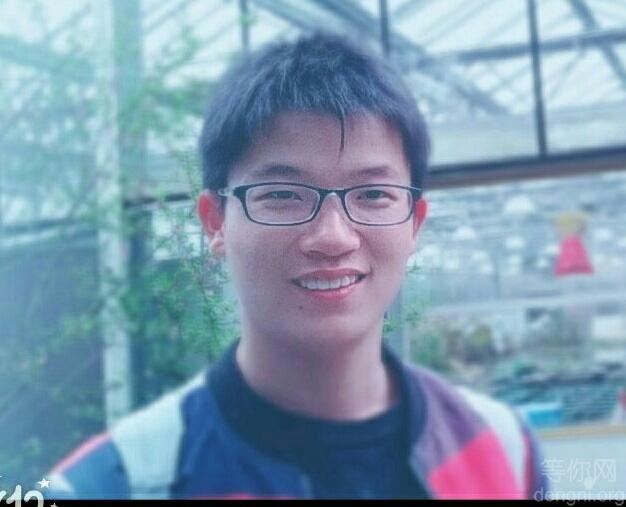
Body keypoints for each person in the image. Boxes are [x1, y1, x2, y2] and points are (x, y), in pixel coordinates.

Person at [46, 32, 547, 500]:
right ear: (215, 222)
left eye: (373, 194)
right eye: (283, 194)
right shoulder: (110, 485)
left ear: (414, 223)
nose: (333, 237)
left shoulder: (503, 450)